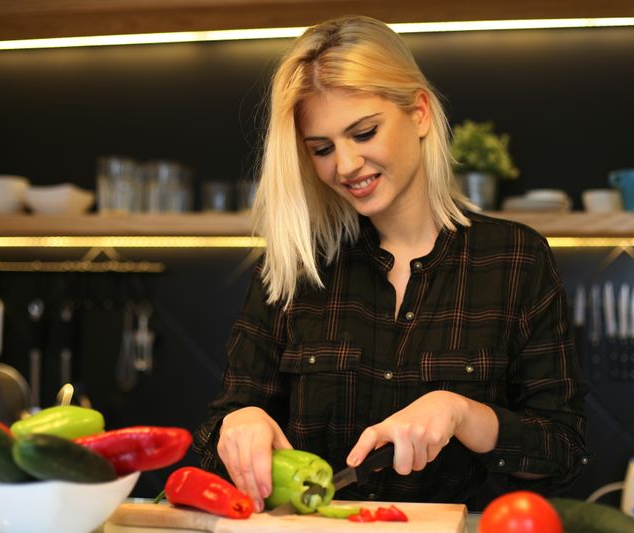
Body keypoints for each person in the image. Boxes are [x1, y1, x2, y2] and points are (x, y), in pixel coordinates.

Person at [193, 14, 589, 513]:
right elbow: (212, 440)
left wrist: (462, 413)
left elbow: (562, 451)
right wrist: (238, 423)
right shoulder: (299, 268)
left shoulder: (516, 259)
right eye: (322, 148)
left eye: (363, 133)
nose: (345, 165)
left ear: (419, 112)